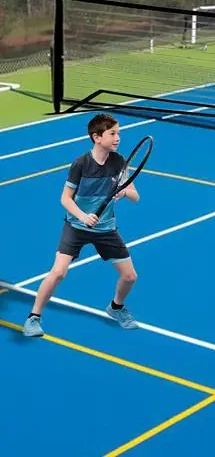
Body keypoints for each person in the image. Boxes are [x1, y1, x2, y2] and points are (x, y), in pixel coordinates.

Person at [23, 113, 141, 337]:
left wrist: (126, 192)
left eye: (118, 133)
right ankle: (33, 318)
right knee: (58, 273)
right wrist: (83, 216)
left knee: (130, 276)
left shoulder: (119, 161)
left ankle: (116, 308)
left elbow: (136, 195)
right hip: (76, 227)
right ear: (97, 137)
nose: (118, 138)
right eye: (112, 133)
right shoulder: (81, 164)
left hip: (105, 228)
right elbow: (65, 198)